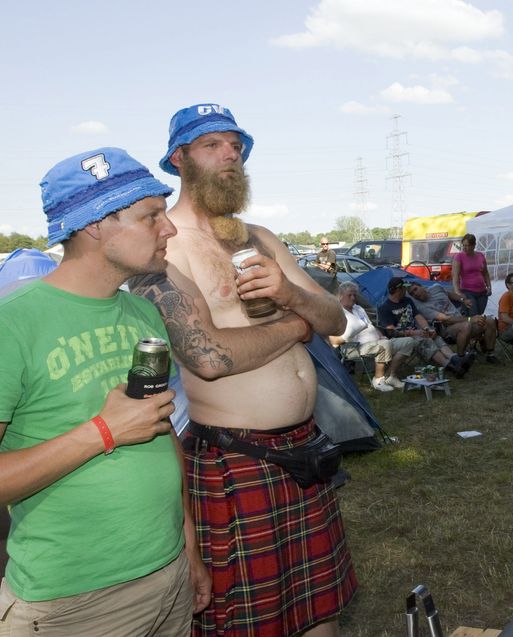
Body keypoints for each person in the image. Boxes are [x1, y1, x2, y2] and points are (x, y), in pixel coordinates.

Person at [131, 103, 357, 637]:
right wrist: (297, 326)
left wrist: (290, 293)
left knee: (319, 611)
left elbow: (337, 318)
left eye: (236, 146)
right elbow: (208, 358)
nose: (230, 155)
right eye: (213, 145)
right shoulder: (165, 248)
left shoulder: (263, 237)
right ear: (179, 159)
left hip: (305, 450)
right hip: (237, 461)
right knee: (247, 623)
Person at [0, 148, 210, 636]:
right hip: (73, 603)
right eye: (151, 216)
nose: (170, 228)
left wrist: (189, 547)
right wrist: (103, 431)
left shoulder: (142, 314)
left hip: (167, 575)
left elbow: (162, 432)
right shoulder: (14, 323)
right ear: (96, 224)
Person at [377, 277, 471, 377]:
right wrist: (412, 333)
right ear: (399, 290)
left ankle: (453, 358)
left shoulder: (407, 301)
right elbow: (391, 331)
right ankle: (450, 366)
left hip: (417, 331)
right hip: (402, 337)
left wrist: (427, 329)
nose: (406, 291)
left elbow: (418, 316)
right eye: (404, 289)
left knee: (432, 335)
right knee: (422, 340)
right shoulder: (385, 308)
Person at [329, 281, 409, 392]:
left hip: (378, 342)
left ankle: (390, 376)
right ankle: (378, 380)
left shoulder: (359, 309)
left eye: (354, 295)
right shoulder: (337, 312)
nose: (353, 298)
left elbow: (371, 326)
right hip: (354, 347)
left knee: (408, 342)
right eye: (350, 295)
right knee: (384, 345)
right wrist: (347, 335)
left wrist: (381, 336)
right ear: (340, 296)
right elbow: (333, 340)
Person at [407, 280, 499, 363]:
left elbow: (448, 294)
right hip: (447, 329)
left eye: (415, 289)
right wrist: (471, 319)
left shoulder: (436, 288)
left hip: (461, 319)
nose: (415, 294)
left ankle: (490, 354)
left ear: (421, 286)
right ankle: (460, 358)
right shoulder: (421, 307)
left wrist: (463, 300)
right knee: (466, 326)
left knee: (489, 321)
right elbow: (446, 319)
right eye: (412, 294)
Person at [452, 233, 491, 316]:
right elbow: (455, 276)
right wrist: (458, 292)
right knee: (473, 314)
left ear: (473, 245)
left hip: (482, 291)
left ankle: (478, 328)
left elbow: (485, 273)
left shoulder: (480, 255)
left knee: (480, 313)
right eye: (463, 245)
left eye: (467, 246)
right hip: (468, 291)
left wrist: (489, 287)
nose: (465, 248)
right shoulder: (459, 257)